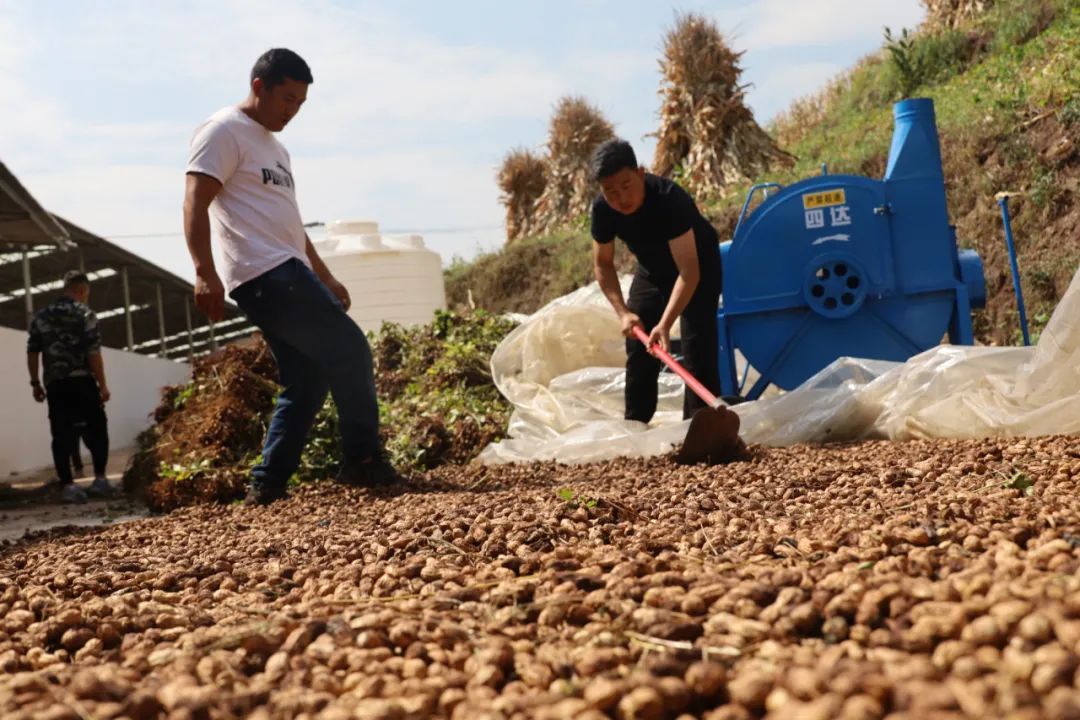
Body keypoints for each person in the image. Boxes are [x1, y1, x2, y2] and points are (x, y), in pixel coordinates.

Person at [183, 48, 397, 506]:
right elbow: (195, 200)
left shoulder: (277, 150)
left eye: (300, 103)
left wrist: (327, 276)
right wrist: (203, 271)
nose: (292, 111)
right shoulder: (223, 130)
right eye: (286, 99)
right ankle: (363, 460)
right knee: (350, 350)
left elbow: (291, 224)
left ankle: (268, 483)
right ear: (259, 86)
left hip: (288, 267)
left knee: (308, 378)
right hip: (263, 272)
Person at [590, 138, 724, 424]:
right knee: (639, 344)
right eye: (610, 191)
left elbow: (689, 273)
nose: (621, 198)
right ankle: (636, 424)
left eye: (626, 185)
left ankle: (700, 427)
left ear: (640, 173)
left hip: (697, 265)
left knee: (697, 347)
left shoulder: (669, 199)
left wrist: (664, 324)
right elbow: (603, 264)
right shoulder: (602, 210)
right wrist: (623, 313)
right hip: (652, 268)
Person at [27, 271, 112, 504]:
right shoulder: (85, 314)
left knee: (61, 433)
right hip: (83, 381)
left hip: (56, 385)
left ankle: (68, 486)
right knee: (97, 429)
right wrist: (103, 385)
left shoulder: (42, 316)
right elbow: (93, 354)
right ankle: (100, 480)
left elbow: (32, 352)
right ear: (82, 290)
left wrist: (35, 383)